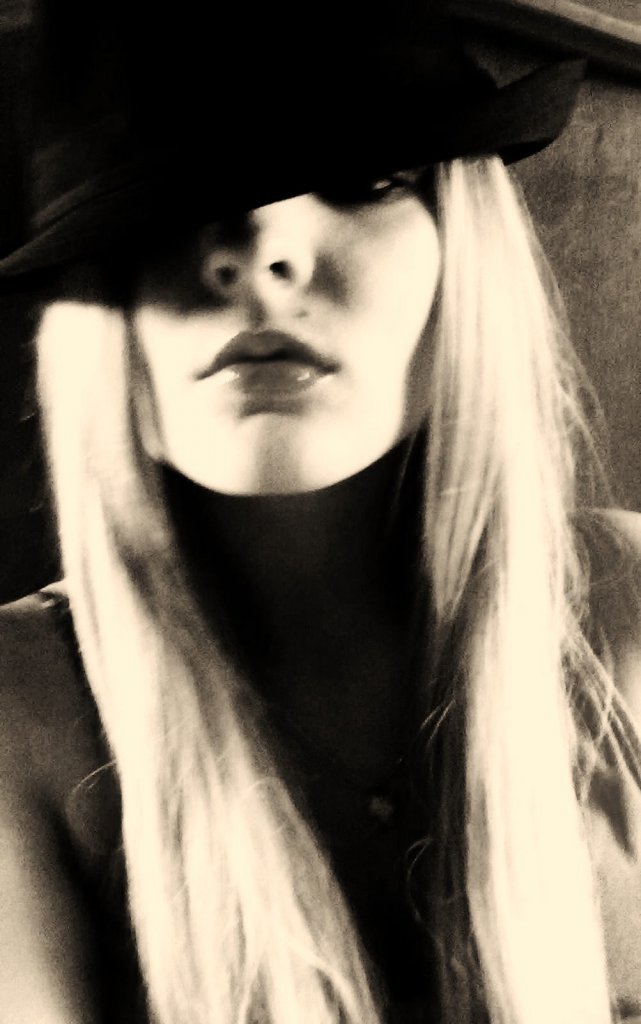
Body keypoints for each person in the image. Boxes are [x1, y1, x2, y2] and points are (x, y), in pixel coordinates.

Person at [1, 1, 640, 1022]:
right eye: (167, 199)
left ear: (464, 244)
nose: (259, 251)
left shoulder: (626, 612)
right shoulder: (24, 713)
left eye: (364, 178)